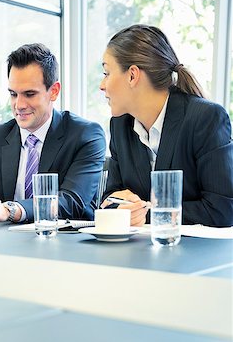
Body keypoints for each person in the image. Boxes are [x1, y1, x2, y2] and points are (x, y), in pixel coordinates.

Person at [99, 24, 233, 227]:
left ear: (132, 75)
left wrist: (146, 214)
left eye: (107, 73)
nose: (102, 85)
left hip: (195, 253)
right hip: (139, 252)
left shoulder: (205, 118)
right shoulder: (120, 125)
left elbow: (221, 210)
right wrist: (119, 207)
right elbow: (110, 198)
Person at [0, 43, 106, 223]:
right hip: (7, 244)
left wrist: (12, 210)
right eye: (13, 94)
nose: (19, 105)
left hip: (67, 243)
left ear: (54, 92)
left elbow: (72, 201)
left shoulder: (85, 135)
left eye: (29, 94)